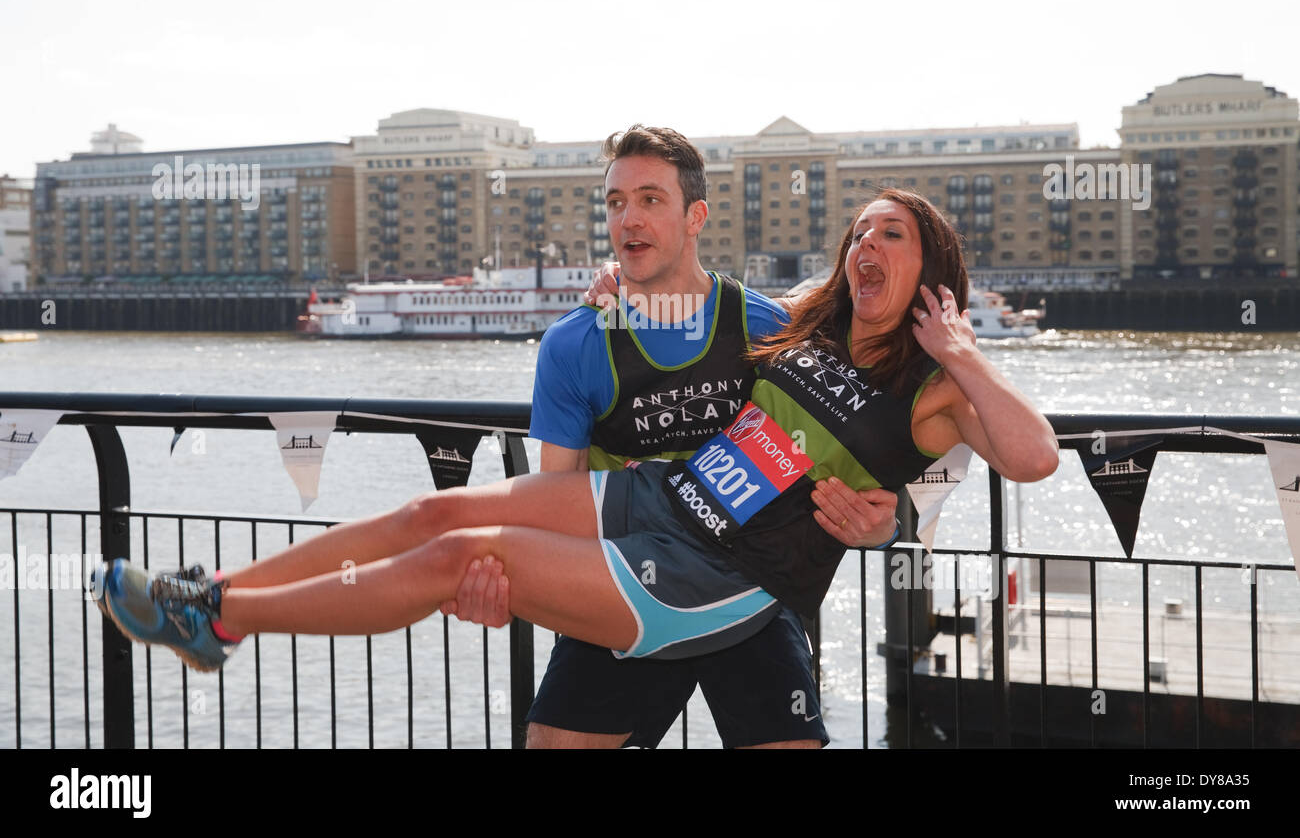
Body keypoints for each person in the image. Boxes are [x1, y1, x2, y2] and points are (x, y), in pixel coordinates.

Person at [92, 188, 1059, 739]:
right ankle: (206, 586)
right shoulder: (807, 320)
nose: (865, 247)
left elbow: (1038, 457)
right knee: (442, 517)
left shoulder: (933, 389)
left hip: (719, 574)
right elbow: (698, 297)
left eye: (890, 234)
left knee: (454, 567)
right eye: (857, 234)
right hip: (658, 498)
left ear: (929, 263)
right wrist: (629, 282)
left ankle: (218, 621)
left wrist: (967, 354)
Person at [440, 125, 898, 749]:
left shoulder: (771, 328)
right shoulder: (577, 342)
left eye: (651, 199)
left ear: (695, 216)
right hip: (624, 584)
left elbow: (867, 441)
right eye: (616, 202)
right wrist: (506, 579)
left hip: (750, 593)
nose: (629, 218)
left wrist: (883, 529)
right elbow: (555, 499)